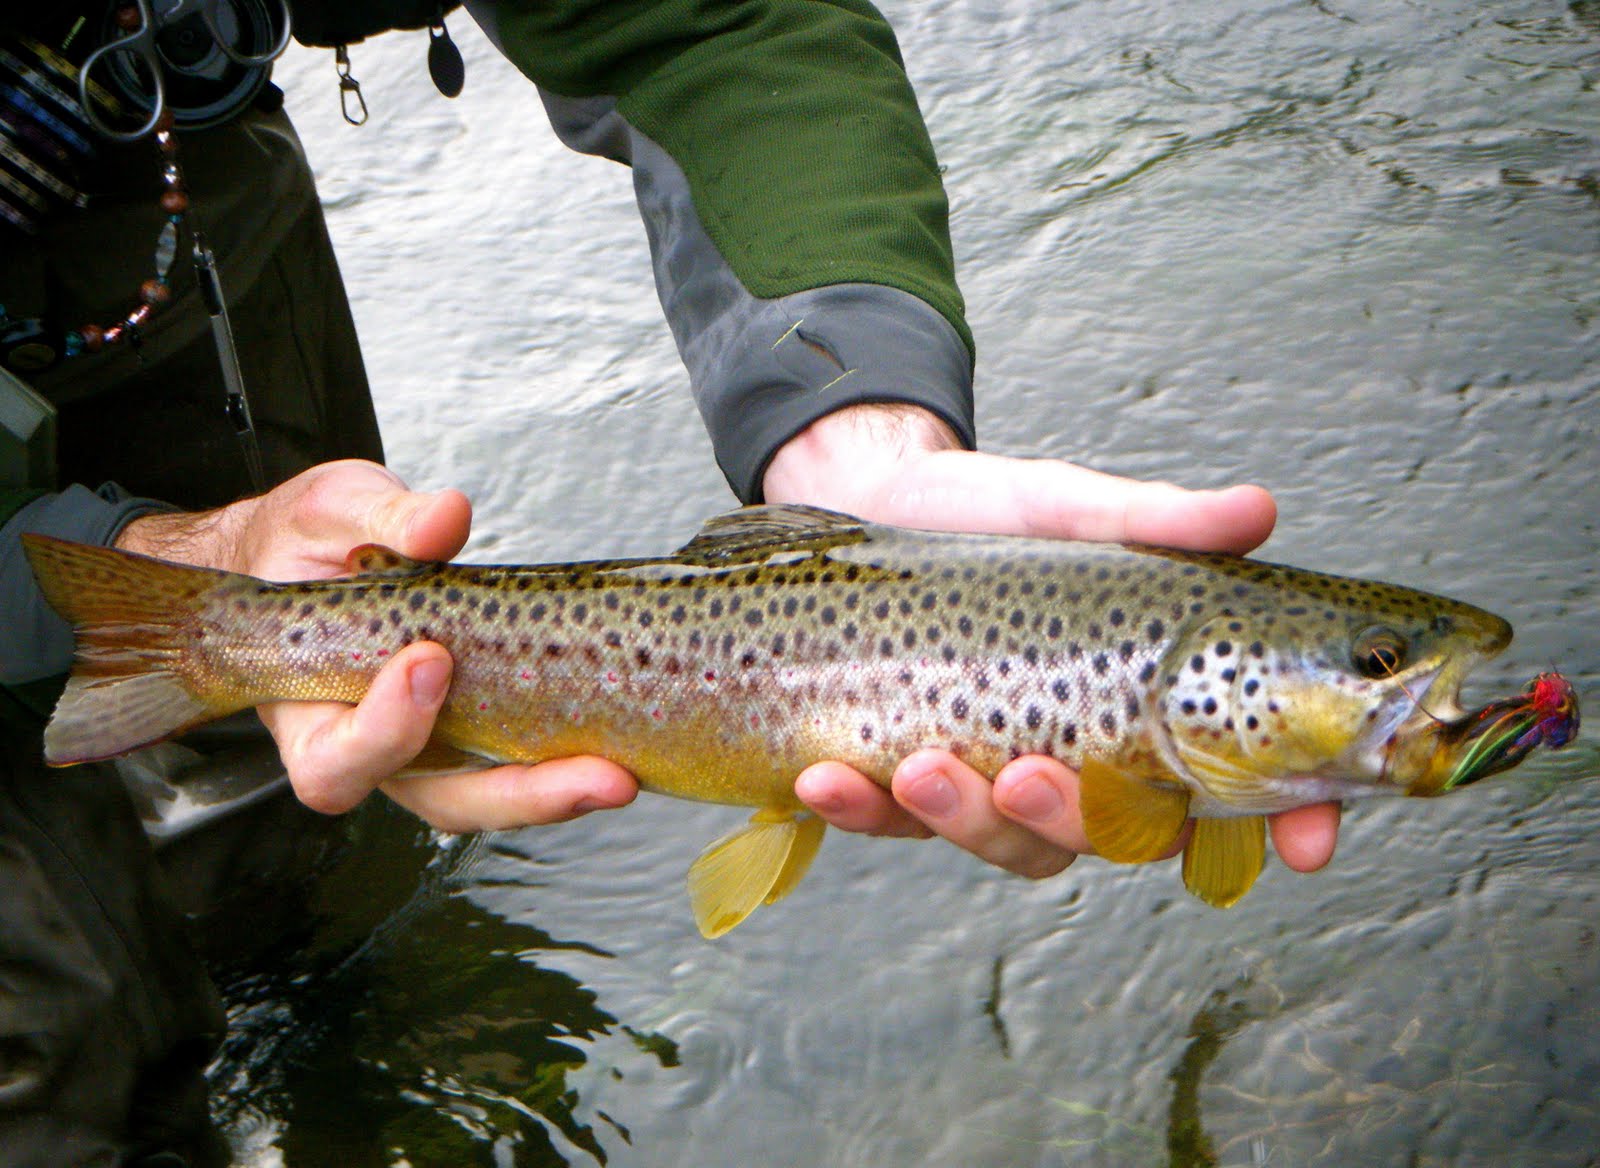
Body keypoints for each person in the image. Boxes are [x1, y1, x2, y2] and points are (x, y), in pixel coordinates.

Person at [0, 1, 1340, 1161]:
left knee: (315, 846)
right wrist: (169, 556)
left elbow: (710, 15)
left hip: (144, 147)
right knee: (54, 1050)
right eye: (1375, 673)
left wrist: (846, 396)